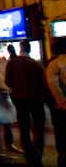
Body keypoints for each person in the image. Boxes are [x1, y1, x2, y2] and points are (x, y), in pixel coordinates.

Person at [4, 39, 45, 166]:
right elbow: (43, 83)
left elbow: (8, 82)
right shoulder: (37, 64)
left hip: (20, 100)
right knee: (39, 127)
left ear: (20, 49)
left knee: (24, 127)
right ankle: (38, 152)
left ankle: (29, 154)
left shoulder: (12, 63)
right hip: (36, 99)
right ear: (30, 49)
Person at [47, 37, 66, 167]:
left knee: (62, 136)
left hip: (61, 108)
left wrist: (61, 102)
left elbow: (53, 85)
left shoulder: (54, 64)